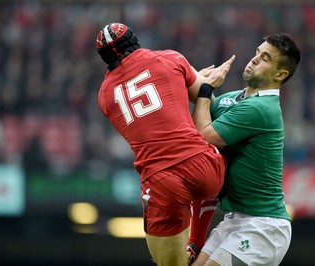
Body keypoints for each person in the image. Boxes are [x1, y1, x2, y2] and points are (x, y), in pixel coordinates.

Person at [95, 22, 234, 266]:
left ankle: (191, 249)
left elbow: (150, 113)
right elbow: (206, 99)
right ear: (135, 39)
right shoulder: (170, 58)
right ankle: (196, 241)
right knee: (213, 152)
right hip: (207, 167)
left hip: (162, 181)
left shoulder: (105, 94)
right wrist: (201, 83)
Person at [190, 33, 301, 266]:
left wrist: (204, 90)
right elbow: (204, 100)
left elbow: (204, 136)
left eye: (265, 58)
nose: (254, 60)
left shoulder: (262, 108)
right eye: (257, 53)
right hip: (235, 221)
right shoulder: (237, 99)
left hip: (263, 226)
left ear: (281, 74)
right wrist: (187, 75)